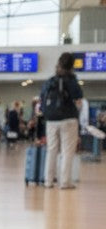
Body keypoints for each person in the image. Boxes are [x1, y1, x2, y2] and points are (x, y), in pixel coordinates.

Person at [40, 51, 82, 189]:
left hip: (51, 119)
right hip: (68, 119)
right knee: (67, 151)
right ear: (71, 65)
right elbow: (78, 99)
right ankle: (65, 182)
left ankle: (48, 180)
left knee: (51, 150)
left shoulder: (50, 81)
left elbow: (42, 98)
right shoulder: (71, 80)